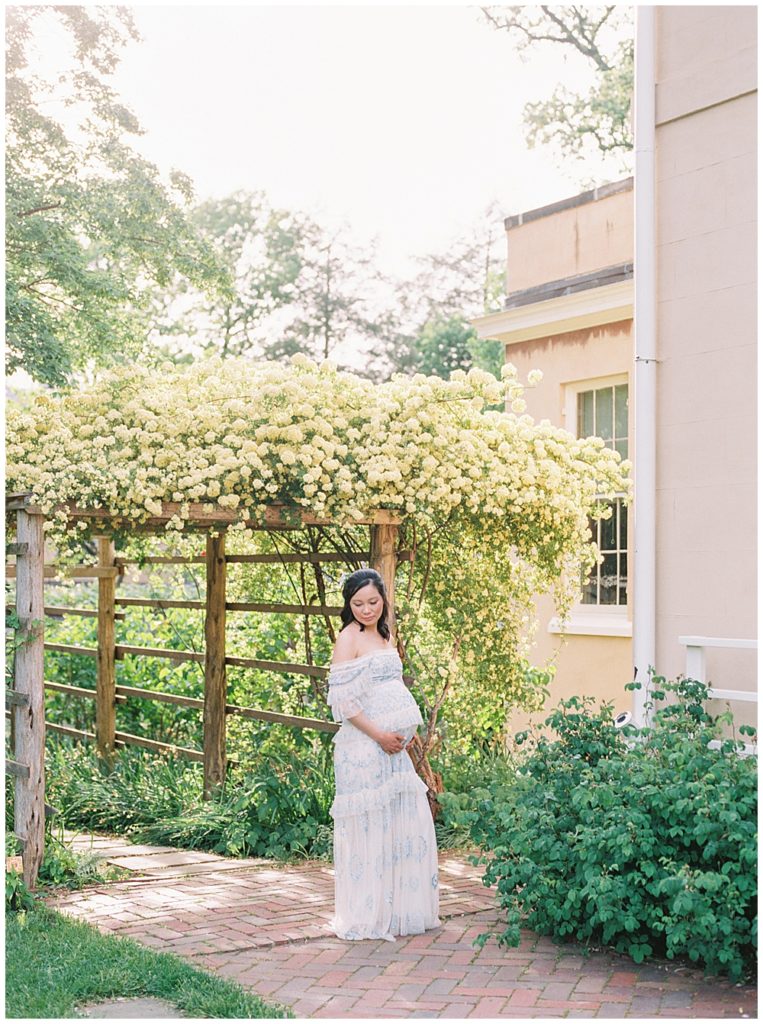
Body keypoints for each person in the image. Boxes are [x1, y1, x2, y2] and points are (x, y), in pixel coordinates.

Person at [326, 568, 440, 942]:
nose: (366, 609)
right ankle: (370, 912)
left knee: (402, 824)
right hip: (365, 747)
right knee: (371, 828)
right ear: (348, 605)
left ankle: (398, 909)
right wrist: (380, 736)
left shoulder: (384, 633)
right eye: (357, 603)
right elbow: (344, 703)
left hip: (392, 749)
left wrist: (399, 736)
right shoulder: (348, 638)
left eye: (373, 602)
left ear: (383, 599)